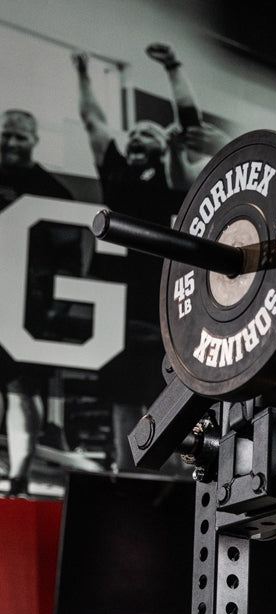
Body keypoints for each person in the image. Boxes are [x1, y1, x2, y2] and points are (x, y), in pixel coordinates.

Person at [72, 44, 225, 470]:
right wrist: (83, 73)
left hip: (164, 300)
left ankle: (178, 480)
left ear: (163, 144)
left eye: (150, 133)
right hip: (120, 302)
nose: (139, 136)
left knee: (168, 393)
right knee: (121, 391)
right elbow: (93, 120)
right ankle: (127, 472)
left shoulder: (175, 175)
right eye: (135, 132)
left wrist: (174, 68)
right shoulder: (117, 172)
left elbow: (189, 126)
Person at [0, 109, 74, 497]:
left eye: (19, 137)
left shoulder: (52, 190)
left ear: (34, 139)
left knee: (22, 390)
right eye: (6, 135)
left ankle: (18, 477)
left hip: (27, 308)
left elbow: (68, 256)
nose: (11, 143)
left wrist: (56, 307)